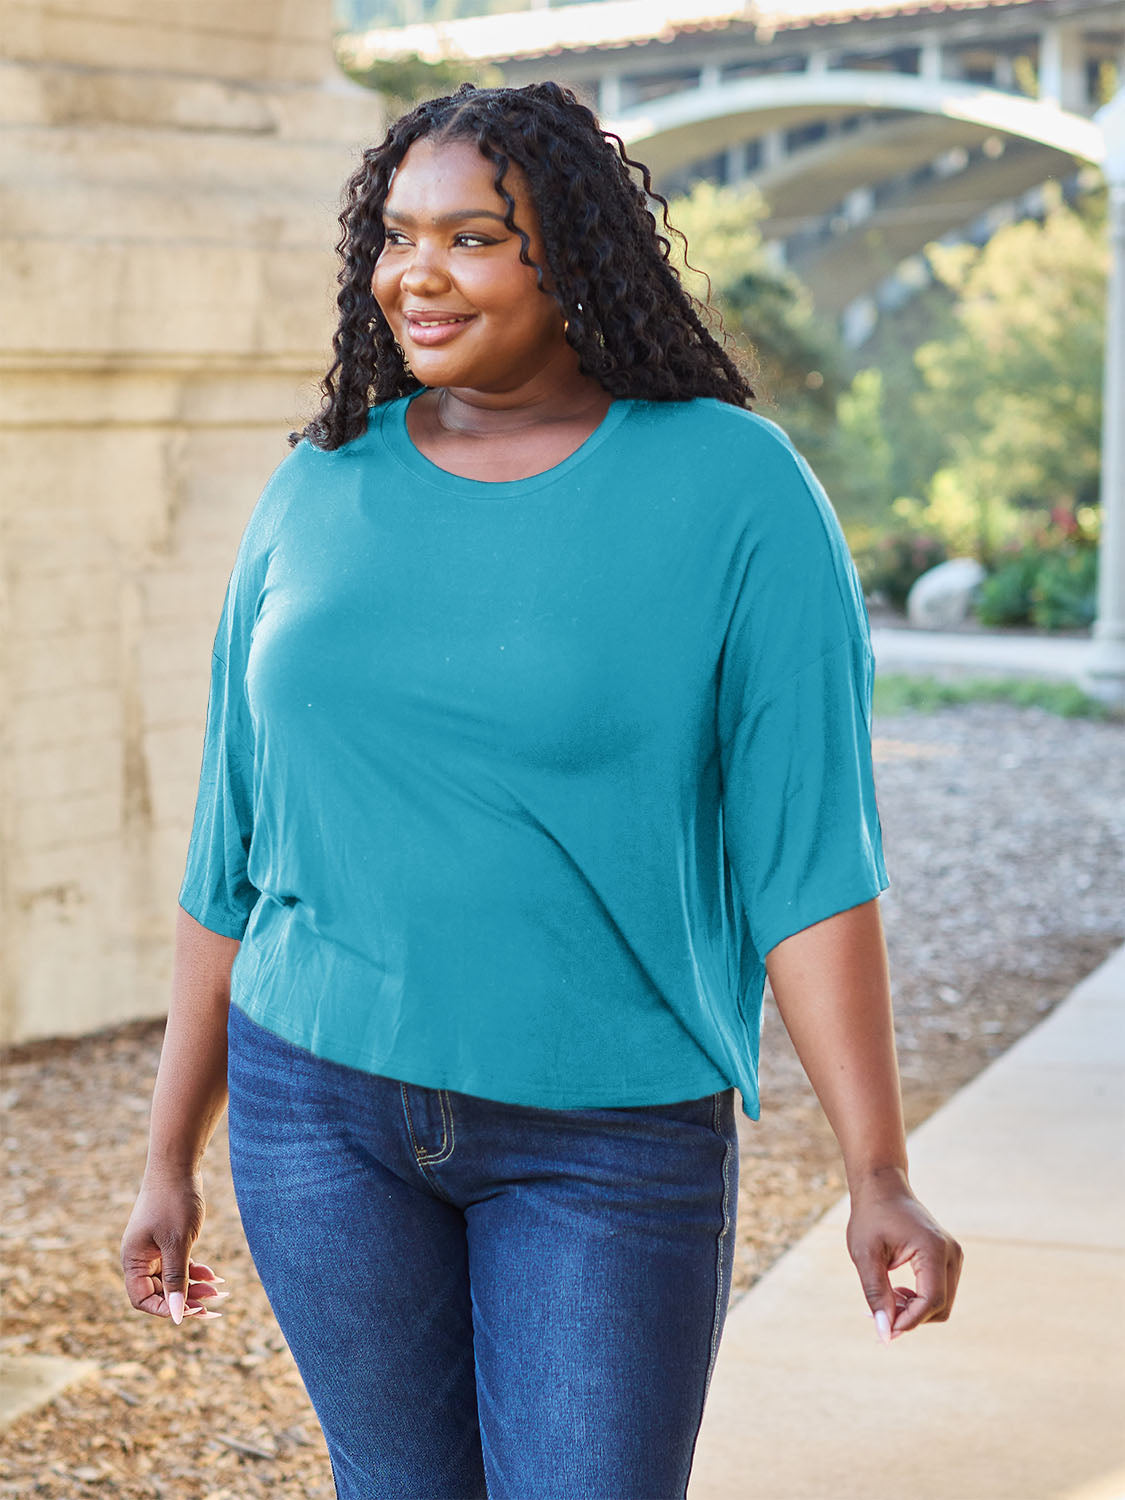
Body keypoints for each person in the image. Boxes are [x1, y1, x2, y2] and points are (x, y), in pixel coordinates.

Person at [120, 80, 962, 1500]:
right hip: (313, 1107)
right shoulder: (319, 483)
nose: (415, 274)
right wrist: (168, 1154)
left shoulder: (735, 491)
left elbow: (807, 858)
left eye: (472, 237)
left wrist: (874, 1171)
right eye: (396, 235)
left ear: (569, 253)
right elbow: (233, 850)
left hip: (604, 1133)